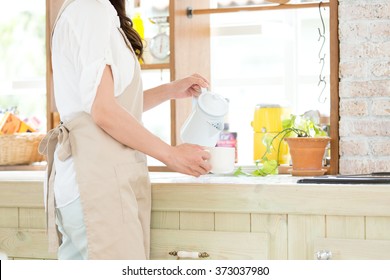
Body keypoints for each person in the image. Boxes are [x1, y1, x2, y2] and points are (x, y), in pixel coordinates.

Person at [39, 0, 211, 260]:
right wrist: (171, 154)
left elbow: (109, 103)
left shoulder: (88, 10)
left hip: (85, 182)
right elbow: (104, 111)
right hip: (97, 184)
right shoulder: (90, 10)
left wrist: (170, 90)